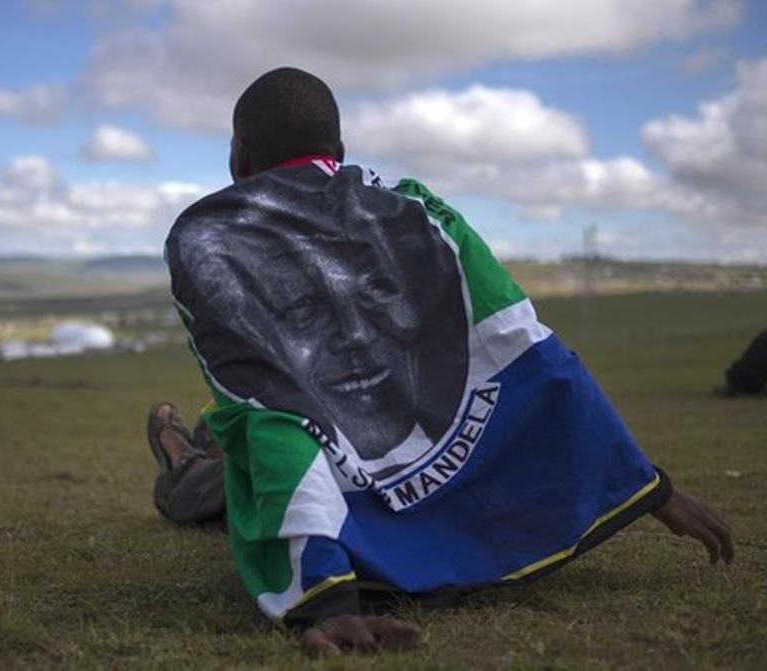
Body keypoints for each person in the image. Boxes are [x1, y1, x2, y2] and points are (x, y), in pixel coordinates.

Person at [157, 67, 734, 657]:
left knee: (251, 464)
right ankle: (186, 459)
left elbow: (514, 349)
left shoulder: (205, 241)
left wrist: (642, 484)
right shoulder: (419, 211)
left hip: (325, 464)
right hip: (325, 466)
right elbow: (521, 346)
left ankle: (189, 452)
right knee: (252, 466)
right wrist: (324, 597)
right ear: (341, 151)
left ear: (239, 160)